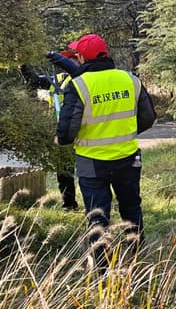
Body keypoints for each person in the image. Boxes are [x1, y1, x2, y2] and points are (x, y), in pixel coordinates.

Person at [54, 33, 156, 266]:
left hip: (92, 163)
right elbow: (149, 117)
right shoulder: (130, 80)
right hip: (128, 157)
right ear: (106, 54)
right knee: (131, 208)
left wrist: (60, 139)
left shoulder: (78, 86)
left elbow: (68, 132)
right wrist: (125, 131)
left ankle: (102, 270)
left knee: (97, 216)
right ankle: (137, 260)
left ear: (80, 57)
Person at [19, 48, 82, 210]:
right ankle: (69, 204)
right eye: (69, 59)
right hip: (62, 130)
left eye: (74, 59)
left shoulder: (82, 77)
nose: (71, 62)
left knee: (87, 170)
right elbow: (34, 81)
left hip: (81, 130)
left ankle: (97, 202)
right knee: (64, 171)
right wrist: (23, 63)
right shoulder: (58, 79)